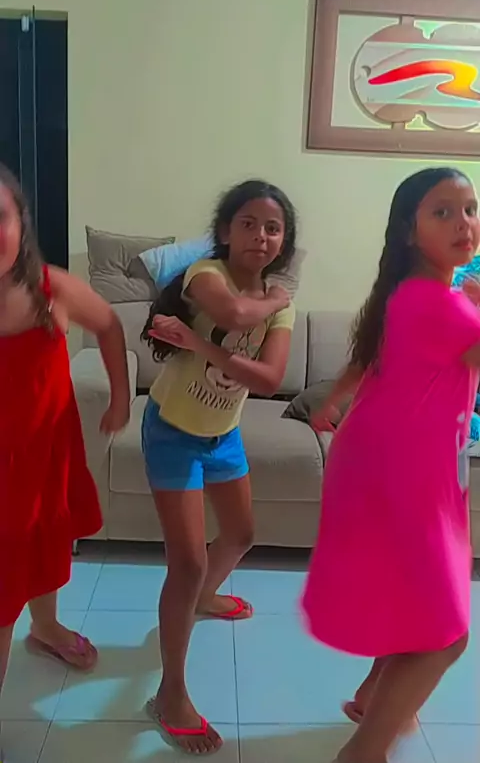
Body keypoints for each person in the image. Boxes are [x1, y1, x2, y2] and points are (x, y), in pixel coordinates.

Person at [301, 167, 480, 763]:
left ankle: (372, 696)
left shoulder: (416, 295)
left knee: (416, 602)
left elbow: (370, 363)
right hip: (398, 476)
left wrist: (333, 399)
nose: (464, 223)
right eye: (443, 212)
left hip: (402, 468)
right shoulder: (436, 305)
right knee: (446, 636)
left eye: (470, 209)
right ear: (410, 231)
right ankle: (364, 753)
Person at [141, 179, 297, 754]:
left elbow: (270, 379)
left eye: (273, 228)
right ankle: (170, 694)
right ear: (227, 231)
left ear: (283, 241)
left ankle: (204, 597)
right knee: (185, 564)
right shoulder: (206, 274)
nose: (261, 236)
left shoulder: (282, 305)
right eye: (249, 223)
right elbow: (233, 312)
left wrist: (199, 344)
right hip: (172, 431)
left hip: (222, 434)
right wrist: (273, 302)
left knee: (241, 533)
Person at [0, 165, 130, 755]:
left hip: (46, 454)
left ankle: (47, 627)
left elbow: (110, 325)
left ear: (21, 222)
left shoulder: (52, 288)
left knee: (47, 544)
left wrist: (121, 397)